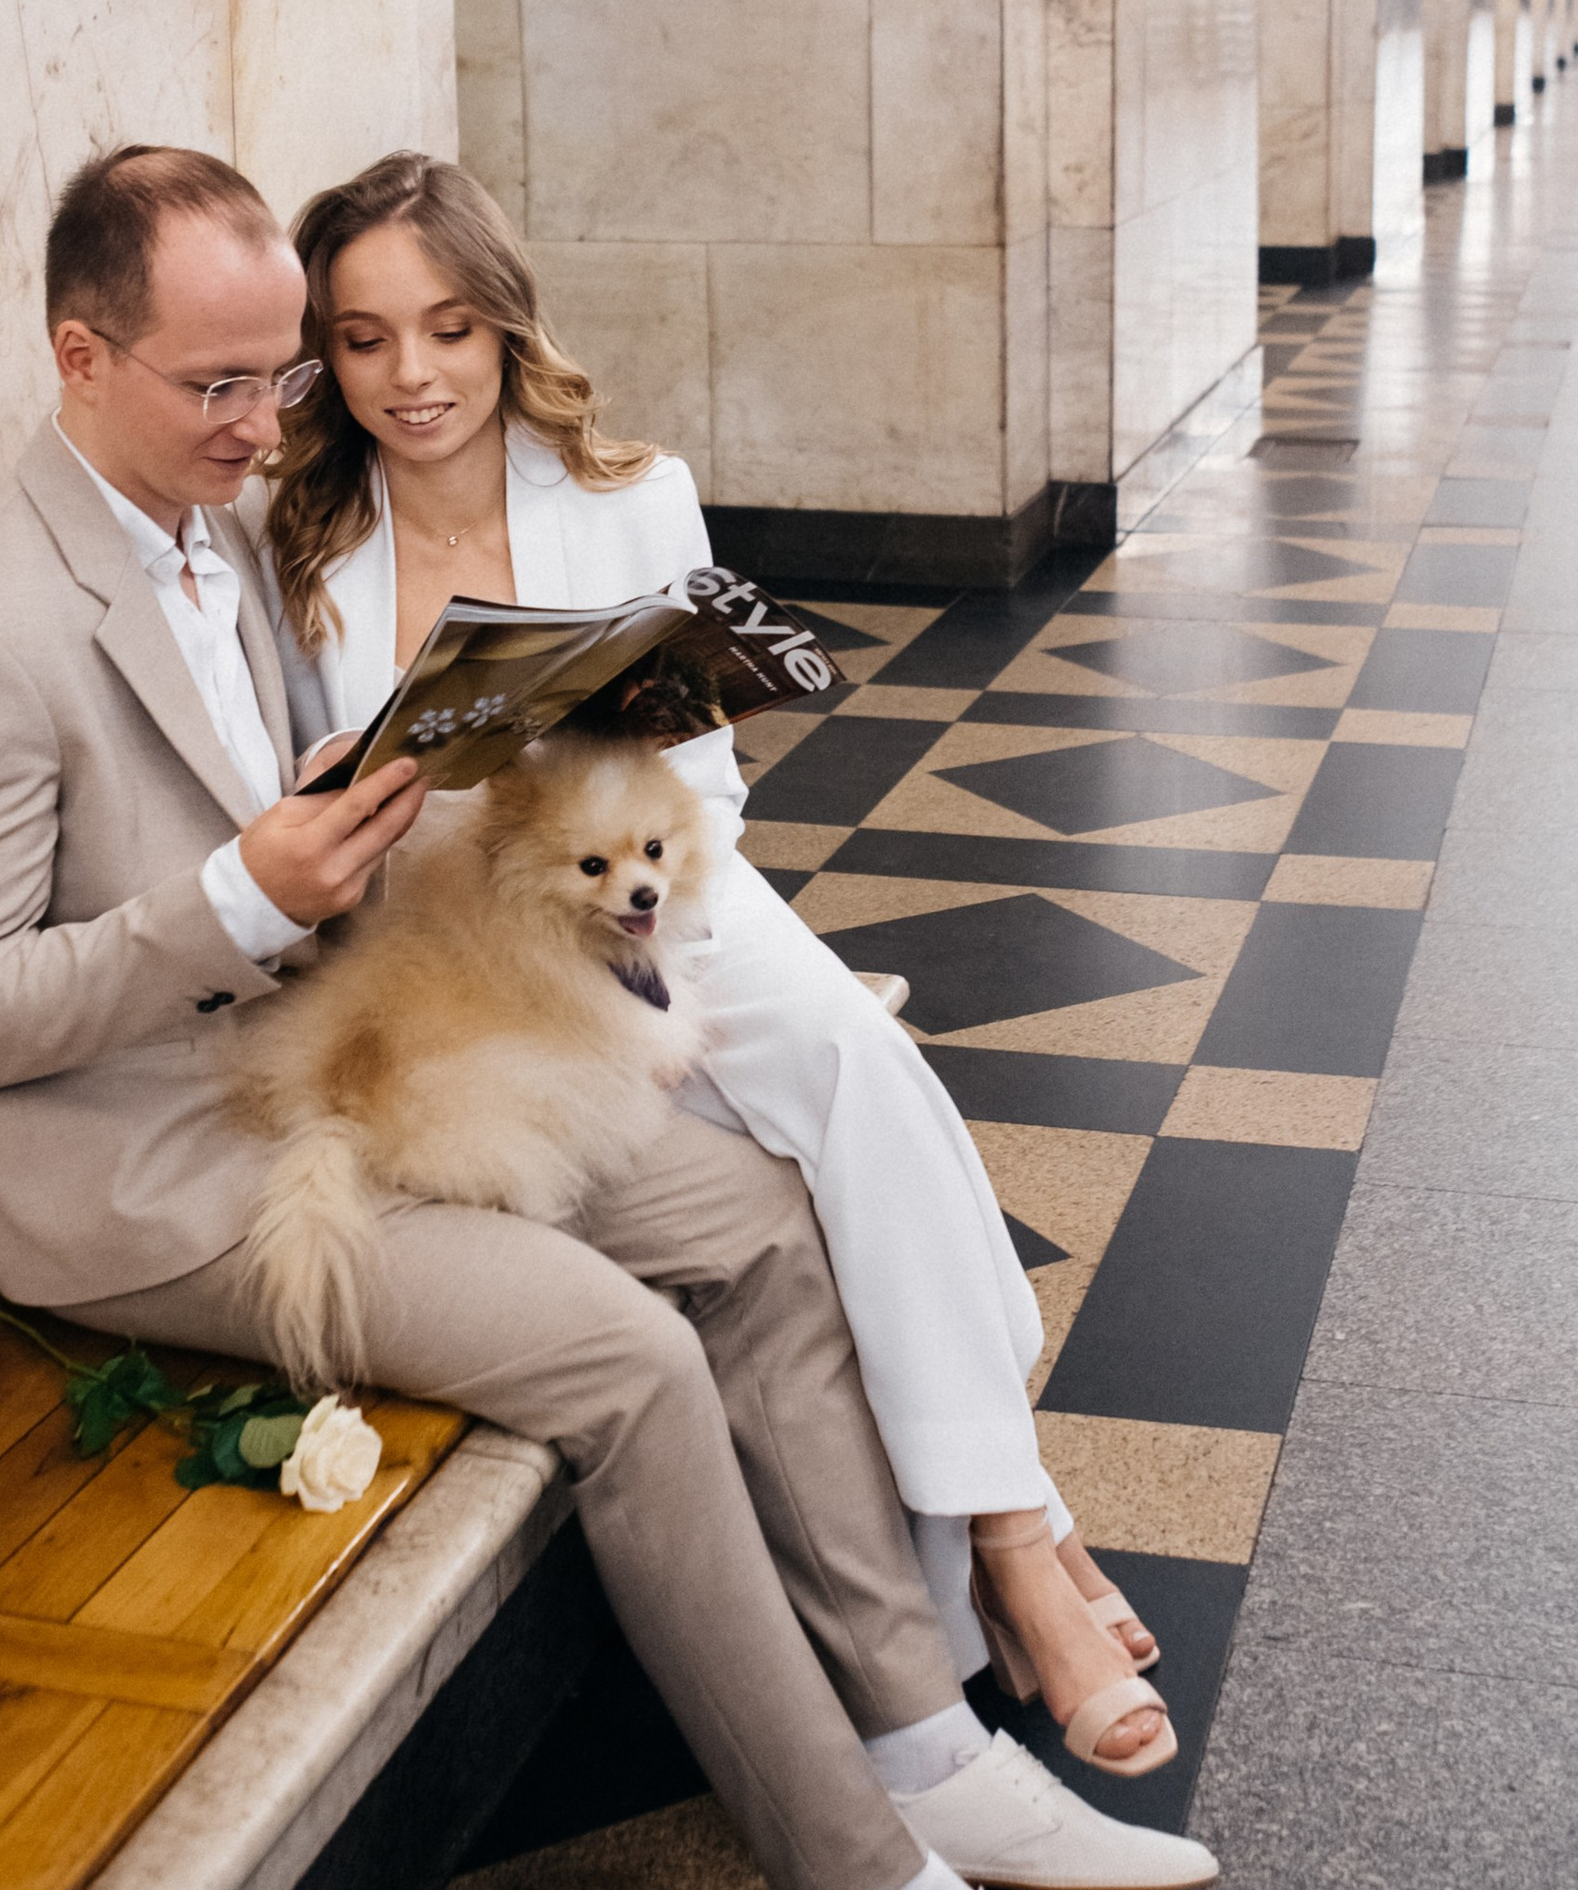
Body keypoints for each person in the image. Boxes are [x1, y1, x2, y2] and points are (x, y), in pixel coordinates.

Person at [0, 143, 1216, 1890]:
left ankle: (916, 1733)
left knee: (753, 1209)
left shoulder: (216, 522)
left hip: (359, 1053)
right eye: (225, 383)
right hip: (157, 1175)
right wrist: (242, 894)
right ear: (77, 357)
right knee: (628, 1355)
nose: (268, 422)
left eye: (275, 383)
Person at [259, 152, 1173, 1777]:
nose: (413, 377)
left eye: (450, 329)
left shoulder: (627, 494)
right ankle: (1018, 1565)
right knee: (795, 1166)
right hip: (458, 948)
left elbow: (718, 794)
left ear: (505, 323)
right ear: (322, 356)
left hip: (661, 902)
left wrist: (620, 853)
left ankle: (1019, 1543)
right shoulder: (304, 544)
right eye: (364, 339)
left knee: (845, 1064)